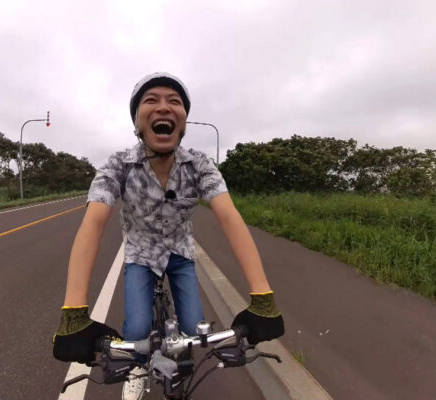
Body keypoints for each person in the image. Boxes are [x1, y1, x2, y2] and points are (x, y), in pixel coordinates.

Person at [53, 72, 285, 400]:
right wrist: (74, 313)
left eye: (174, 101)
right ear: (137, 121)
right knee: (136, 331)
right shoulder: (118, 165)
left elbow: (229, 216)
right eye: (151, 100)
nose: (163, 107)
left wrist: (263, 298)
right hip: (140, 254)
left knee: (193, 329)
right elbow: (93, 223)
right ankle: (137, 370)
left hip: (180, 253)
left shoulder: (200, 165)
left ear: (184, 120)